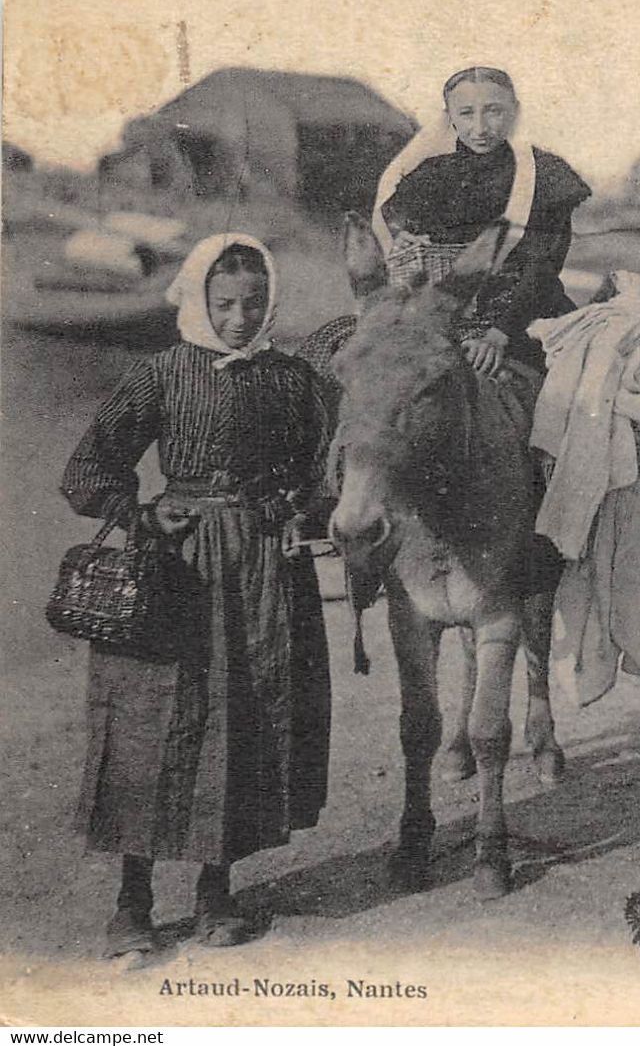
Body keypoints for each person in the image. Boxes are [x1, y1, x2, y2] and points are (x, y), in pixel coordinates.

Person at [61, 235, 332, 957]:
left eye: (254, 303)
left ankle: (217, 893)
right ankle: (132, 901)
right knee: (154, 722)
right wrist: (143, 512)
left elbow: (324, 467)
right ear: (196, 302)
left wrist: (300, 505)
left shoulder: (294, 379)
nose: (241, 317)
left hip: (264, 569)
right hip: (176, 568)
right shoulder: (161, 373)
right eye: (225, 304)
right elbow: (87, 467)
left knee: (245, 718)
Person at [373, 65, 591, 380]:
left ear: (514, 111)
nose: (479, 128)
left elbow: (544, 264)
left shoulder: (544, 175)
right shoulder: (433, 173)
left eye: (493, 112)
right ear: (449, 116)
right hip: (439, 319)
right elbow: (394, 214)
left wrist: (498, 334)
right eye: (466, 113)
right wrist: (403, 236)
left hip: (523, 317)